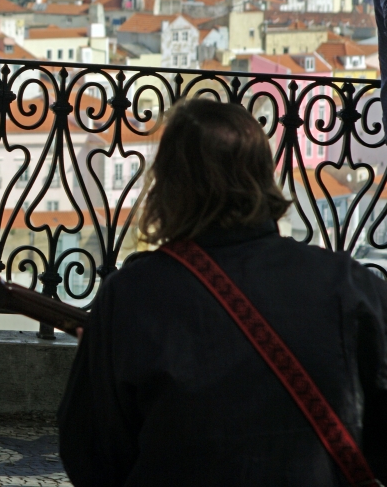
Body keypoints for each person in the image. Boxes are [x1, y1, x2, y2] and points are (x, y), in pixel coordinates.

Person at [58, 99, 387, 486]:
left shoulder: (132, 296)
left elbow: (92, 455)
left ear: (168, 185)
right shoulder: (348, 285)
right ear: (264, 176)